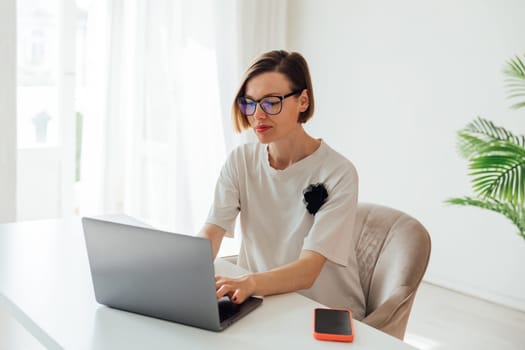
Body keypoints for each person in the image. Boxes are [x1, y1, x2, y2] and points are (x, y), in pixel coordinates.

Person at [199, 50, 365, 320]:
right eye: (249, 103)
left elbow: (309, 270)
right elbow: (212, 231)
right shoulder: (241, 161)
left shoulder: (339, 172)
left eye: (271, 102)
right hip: (260, 303)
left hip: (322, 312)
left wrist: (250, 282)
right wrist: (183, 273)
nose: (257, 115)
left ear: (302, 101)